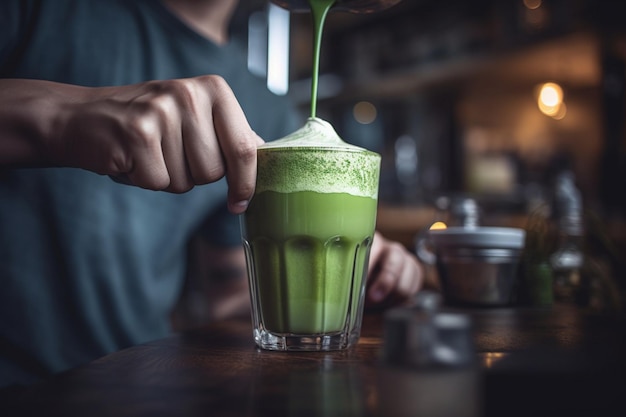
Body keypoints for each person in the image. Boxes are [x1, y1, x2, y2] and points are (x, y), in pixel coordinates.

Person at [0, 0, 425, 388]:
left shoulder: (265, 109)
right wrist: (60, 118)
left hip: (133, 385)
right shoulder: (41, 11)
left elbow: (234, 298)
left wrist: (348, 280)